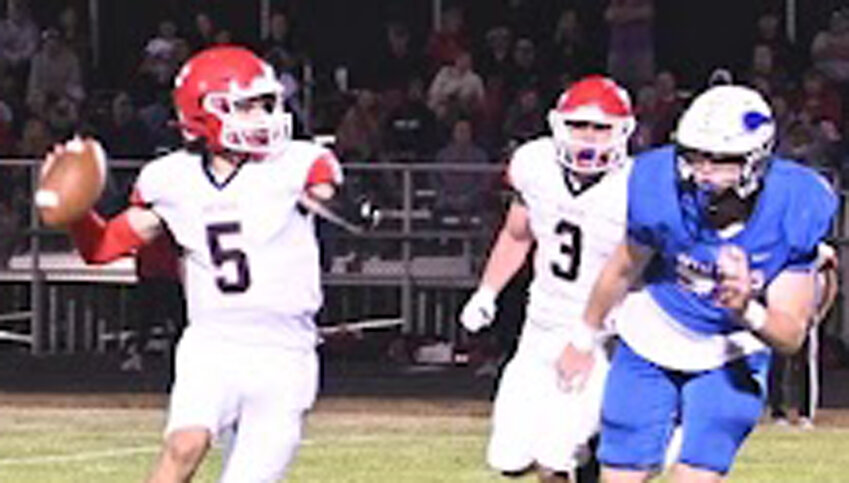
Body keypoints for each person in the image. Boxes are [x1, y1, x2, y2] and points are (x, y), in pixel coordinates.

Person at [45, 46, 347, 482]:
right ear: (203, 114)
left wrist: (340, 203)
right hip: (213, 341)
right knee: (184, 445)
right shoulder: (171, 179)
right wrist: (75, 214)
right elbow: (103, 248)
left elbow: (330, 196)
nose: (262, 117)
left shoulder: (297, 163)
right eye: (246, 107)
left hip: (286, 350)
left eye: (266, 104)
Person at [557, 84, 837, 482]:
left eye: (720, 160)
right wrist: (583, 337)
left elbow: (791, 334)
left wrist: (746, 308)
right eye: (694, 155)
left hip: (732, 349)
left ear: (756, 159)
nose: (702, 170)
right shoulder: (657, 182)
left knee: (697, 474)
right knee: (621, 472)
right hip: (654, 329)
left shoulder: (797, 202)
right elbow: (623, 267)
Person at [460, 76, 636, 483]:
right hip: (539, 326)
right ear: (558, 125)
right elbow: (516, 233)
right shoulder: (534, 164)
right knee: (509, 458)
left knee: (557, 456)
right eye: (579, 126)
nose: (589, 138)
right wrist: (487, 292)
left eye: (600, 127)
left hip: (600, 334)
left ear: (622, 131)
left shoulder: (635, 187)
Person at [768, 242, 839, 429]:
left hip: (806, 315)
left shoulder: (822, 252)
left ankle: (805, 414)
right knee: (778, 365)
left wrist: (821, 312)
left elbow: (831, 283)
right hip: (781, 314)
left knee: (806, 364)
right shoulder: (777, 246)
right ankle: (778, 412)